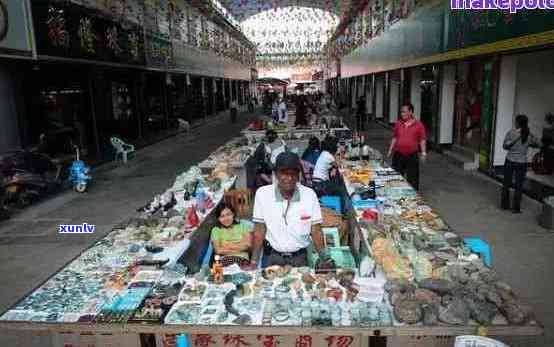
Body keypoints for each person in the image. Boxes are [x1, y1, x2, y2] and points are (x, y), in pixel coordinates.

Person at [249, 152, 325, 268]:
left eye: (293, 174)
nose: (289, 178)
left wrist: (324, 258)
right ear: (275, 174)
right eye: (284, 173)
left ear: (298, 175)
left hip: (300, 258)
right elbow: (259, 230)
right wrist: (254, 262)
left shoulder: (309, 195)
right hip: (272, 257)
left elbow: (316, 231)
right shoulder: (262, 194)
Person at [501, 114, 540, 213]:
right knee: (519, 185)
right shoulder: (529, 134)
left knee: (506, 183)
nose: (515, 123)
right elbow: (538, 144)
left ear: (518, 123)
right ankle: (516, 208)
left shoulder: (511, 133)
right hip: (522, 163)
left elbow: (505, 146)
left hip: (510, 160)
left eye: (516, 121)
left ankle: (504, 206)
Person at [387, 103, 427, 190]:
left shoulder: (418, 124)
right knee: (396, 177)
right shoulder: (398, 123)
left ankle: (413, 198)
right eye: (401, 112)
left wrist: (423, 153)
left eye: (404, 112)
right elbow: (395, 137)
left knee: (413, 179)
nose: (402, 114)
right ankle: (396, 193)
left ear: (411, 112)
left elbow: (422, 139)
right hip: (398, 154)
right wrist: (390, 150)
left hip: (412, 155)